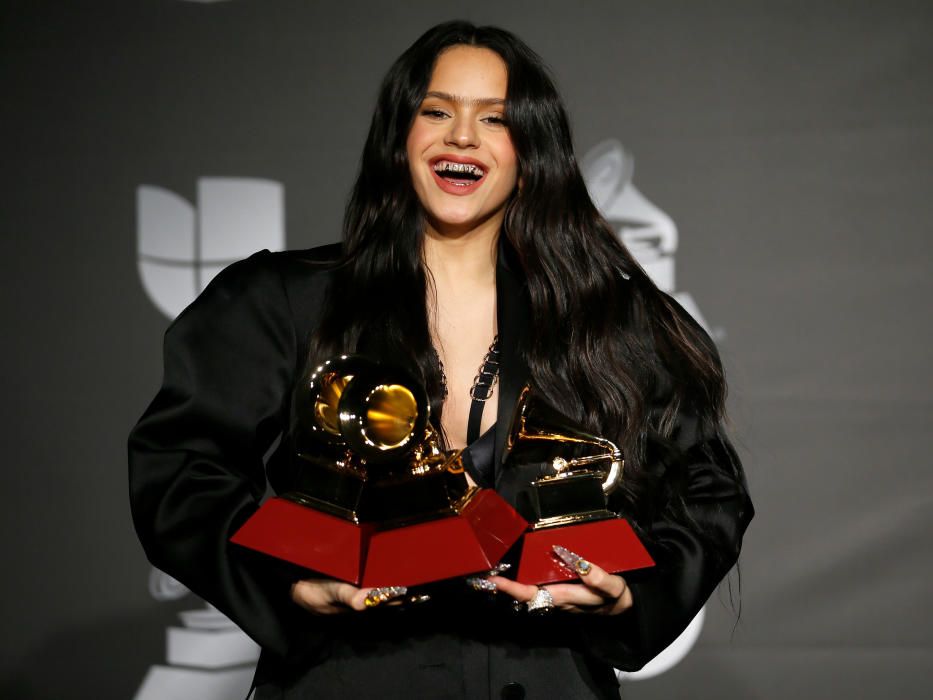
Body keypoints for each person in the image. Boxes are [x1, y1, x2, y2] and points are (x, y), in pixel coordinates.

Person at [129, 21, 753, 700]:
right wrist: (286, 582)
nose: (462, 136)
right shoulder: (283, 300)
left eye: (494, 118)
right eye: (436, 111)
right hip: (345, 679)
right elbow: (180, 467)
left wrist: (633, 594)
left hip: (544, 680)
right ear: (400, 136)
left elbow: (708, 490)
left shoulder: (608, 319)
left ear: (529, 150)